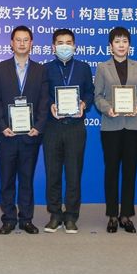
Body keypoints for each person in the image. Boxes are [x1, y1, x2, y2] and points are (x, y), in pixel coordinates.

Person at [94, 27, 137, 233]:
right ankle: (112, 215)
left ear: (129, 45)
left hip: (133, 125)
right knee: (111, 170)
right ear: (110, 46)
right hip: (111, 125)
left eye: (125, 41)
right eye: (117, 41)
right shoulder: (103, 67)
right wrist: (107, 108)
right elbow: (97, 96)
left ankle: (126, 215)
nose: (121, 45)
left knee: (130, 170)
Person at [0, 26, 49, 235]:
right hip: (7, 135)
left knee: (26, 179)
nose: (22, 43)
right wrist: (2, 126)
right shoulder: (0, 68)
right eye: (18, 40)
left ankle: (26, 219)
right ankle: (8, 219)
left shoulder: (41, 70)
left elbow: (44, 101)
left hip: (30, 135)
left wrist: (38, 127)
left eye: (26, 40)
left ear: (31, 43)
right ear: (11, 43)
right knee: (6, 179)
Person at [43, 28, 94, 234]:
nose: (64, 46)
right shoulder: (45, 69)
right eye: (60, 43)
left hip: (75, 128)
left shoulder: (83, 68)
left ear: (74, 46)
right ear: (53, 47)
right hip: (52, 128)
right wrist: (50, 105)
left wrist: (84, 104)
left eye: (68, 42)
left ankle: (72, 215)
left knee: (74, 173)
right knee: (52, 173)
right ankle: (55, 214)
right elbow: (42, 94)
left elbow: (90, 92)